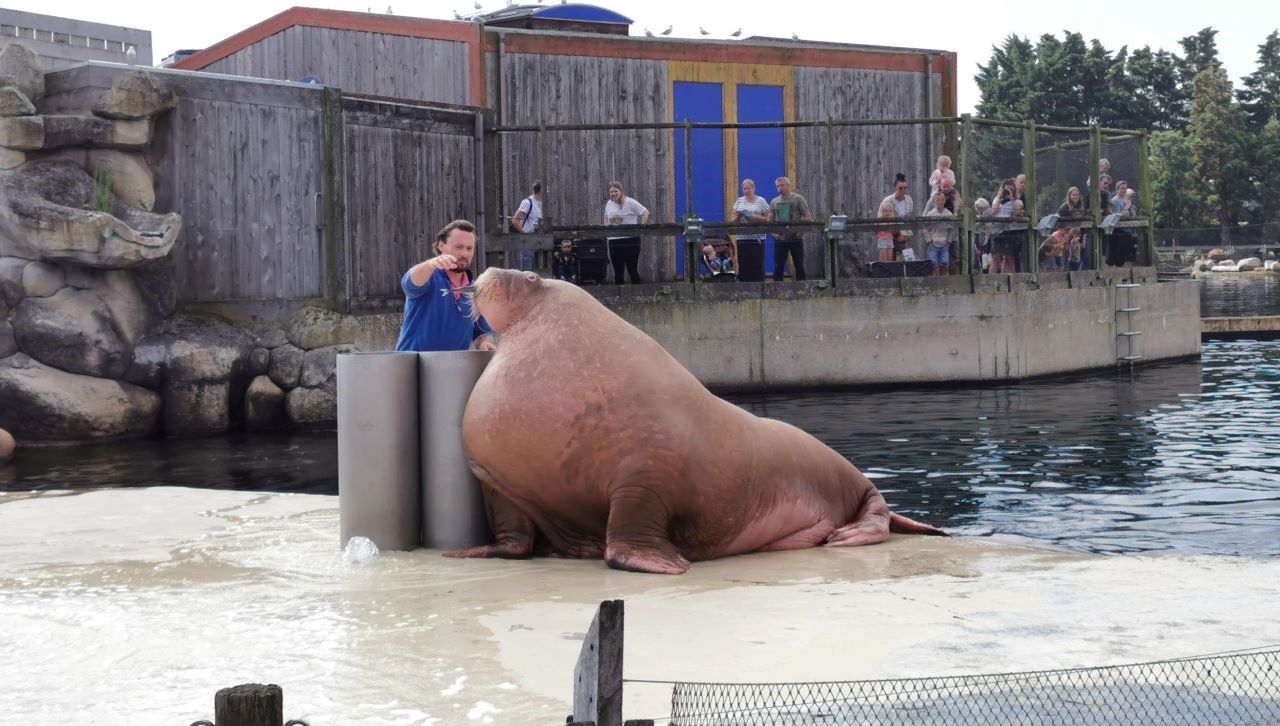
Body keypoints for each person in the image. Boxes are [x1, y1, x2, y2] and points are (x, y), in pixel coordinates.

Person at [395, 219, 496, 353]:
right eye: (459, 247)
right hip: (413, 366)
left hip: (453, 367)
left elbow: (481, 331)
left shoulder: (476, 290)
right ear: (441, 245)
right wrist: (431, 264)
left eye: (469, 248)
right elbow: (409, 284)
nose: (464, 254)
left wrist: (485, 342)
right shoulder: (428, 277)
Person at [603, 181, 649, 285]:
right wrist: (606, 229)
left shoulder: (630, 202)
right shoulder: (609, 203)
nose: (613, 193)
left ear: (621, 191)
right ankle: (619, 297)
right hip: (614, 240)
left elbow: (645, 212)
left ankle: (638, 295)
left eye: (615, 191)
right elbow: (606, 218)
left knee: (631, 268)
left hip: (631, 240)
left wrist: (641, 227)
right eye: (611, 192)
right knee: (618, 271)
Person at [768, 176, 812, 281]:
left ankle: (802, 289)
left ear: (788, 185)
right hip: (780, 239)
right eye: (777, 186)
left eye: (782, 185)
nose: (779, 188)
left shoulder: (798, 199)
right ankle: (777, 290)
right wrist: (772, 233)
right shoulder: (774, 201)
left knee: (799, 265)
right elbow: (768, 220)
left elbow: (808, 218)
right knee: (778, 266)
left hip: (795, 238)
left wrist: (801, 232)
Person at [732, 178, 770, 282]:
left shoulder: (761, 201)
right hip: (742, 238)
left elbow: (768, 219)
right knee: (744, 263)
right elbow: (734, 221)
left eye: (749, 188)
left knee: (757, 263)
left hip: (757, 238)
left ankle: (759, 285)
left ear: (753, 188)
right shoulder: (739, 201)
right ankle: (744, 285)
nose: (747, 190)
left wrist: (752, 216)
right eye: (744, 188)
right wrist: (739, 216)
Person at [921, 191, 954, 276]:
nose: (940, 202)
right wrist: (929, 240)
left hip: (945, 243)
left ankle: (943, 285)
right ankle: (935, 285)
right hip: (933, 243)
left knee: (944, 264)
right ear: (934, 201)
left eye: (942, 199)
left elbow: (952, 228)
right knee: (933, 265)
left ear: (944, 201)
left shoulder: (949, 214)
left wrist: (949, 240)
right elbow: (924, 227)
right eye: (937, 200)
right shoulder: (930, 214)